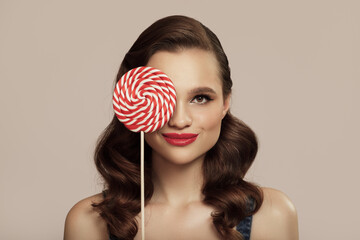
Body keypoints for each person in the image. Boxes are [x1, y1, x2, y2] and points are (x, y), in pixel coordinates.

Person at [64, 15, 298, 240]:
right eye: (162, 97)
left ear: (225, 103)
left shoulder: (272, 215)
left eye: (200, 98)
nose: (179, 120)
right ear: (133, 99)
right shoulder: (87, 222)